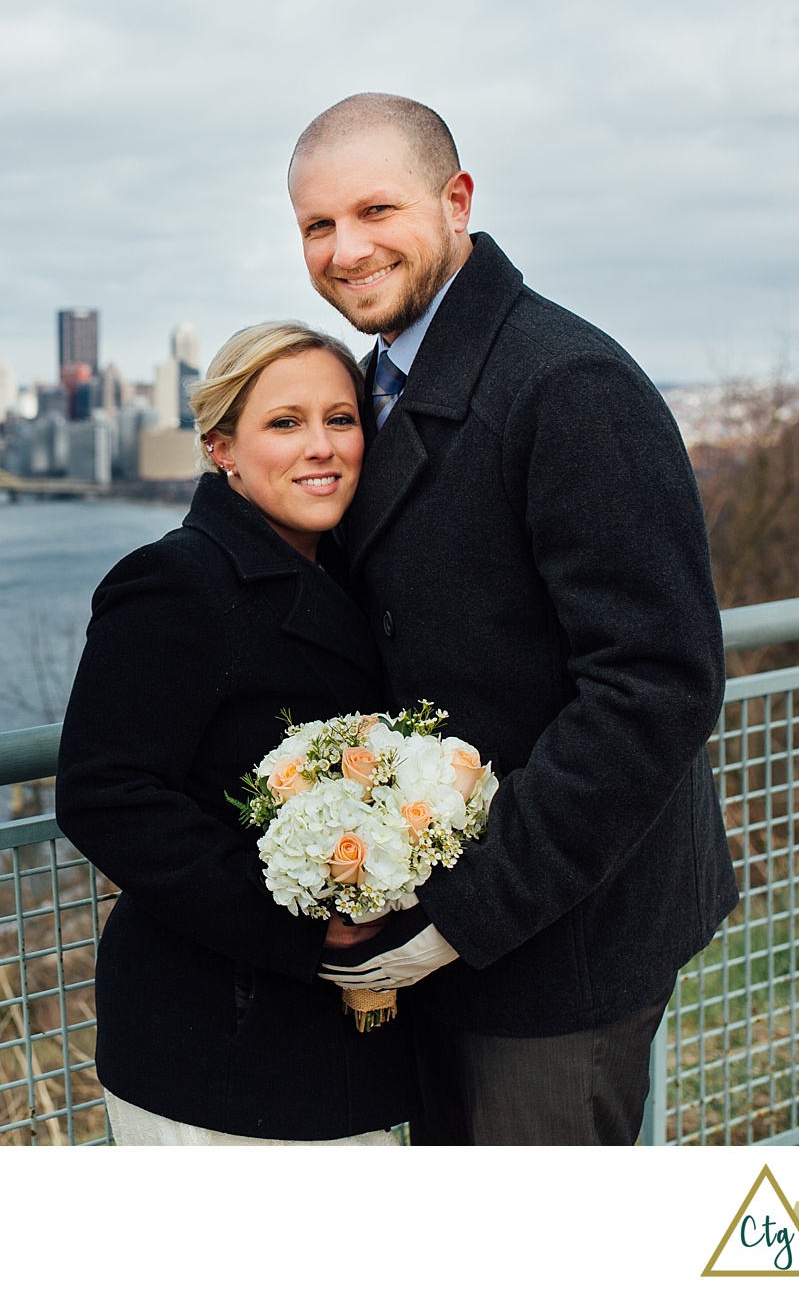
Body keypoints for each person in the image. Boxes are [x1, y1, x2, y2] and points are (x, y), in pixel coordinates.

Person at [287, 92, 737, 1145]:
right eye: (315, 225)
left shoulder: (564, 382)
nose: (344, 250)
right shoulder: (376, 380)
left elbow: (653, 685)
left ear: (456, 201)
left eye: (373, 210)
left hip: (555, 942)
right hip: (435, 925)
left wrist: (464, 914)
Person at [56, 323, 419, 1144]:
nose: (320, 446)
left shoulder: (357, 571)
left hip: (340, 1039)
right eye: (285, 423)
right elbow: (102, 792)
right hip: (219, 1037)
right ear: (222, 447)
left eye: (341, 418)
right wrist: (294, 917)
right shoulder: (178, 580)